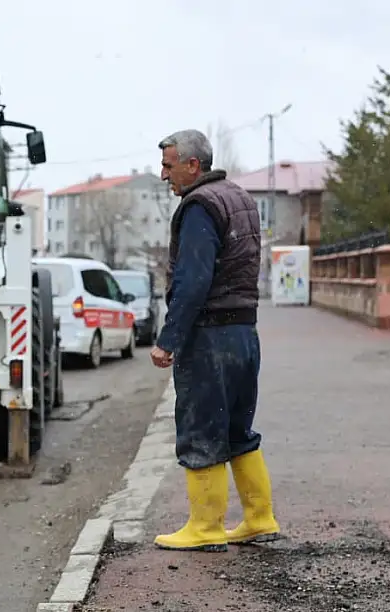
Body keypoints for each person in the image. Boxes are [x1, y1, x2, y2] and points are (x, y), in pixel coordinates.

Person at [149, 129, 283, 552]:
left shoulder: (199, 206)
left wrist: (168, 339)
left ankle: (205, 527)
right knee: (238, 429)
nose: (163, 175)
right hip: (244, 333)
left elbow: (193, 281)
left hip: (209, 337)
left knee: (201, 430)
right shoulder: (240, 198)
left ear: (193, 165)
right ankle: (259, 518)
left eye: (169, 166)